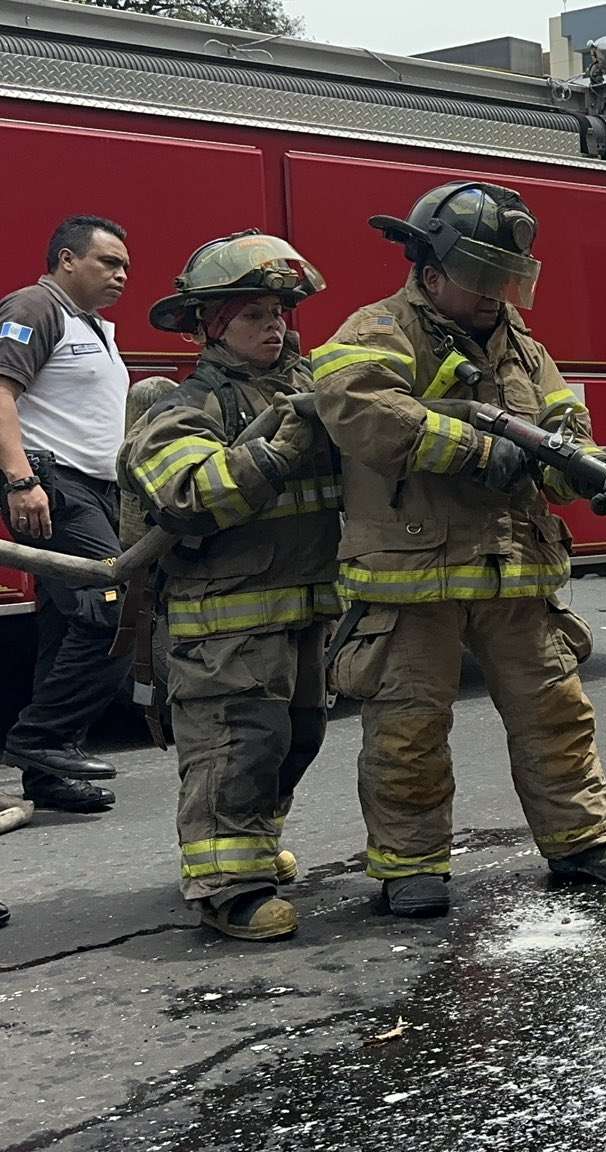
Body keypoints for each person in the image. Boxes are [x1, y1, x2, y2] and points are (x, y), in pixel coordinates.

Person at [310, 181, 606, 918]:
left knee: (556, 714)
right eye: (484, 278)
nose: (499, 293)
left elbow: (564, 426)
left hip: (514, 567)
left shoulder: (525, 348)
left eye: (508, 276)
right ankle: (409, 867)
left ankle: (581, 843)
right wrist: (468, 447)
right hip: (412, 573)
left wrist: (585, 473)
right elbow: (356, 407)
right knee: (408, 729)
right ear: (432, 273)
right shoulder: (376, 330)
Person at [118, 233, 339, 941]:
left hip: (305, 608)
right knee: (237, 746)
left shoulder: (310, 393)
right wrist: (272, 456)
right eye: (252, 315)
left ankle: (251, 847)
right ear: (210, 325)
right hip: (225, 624)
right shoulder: (186, 406)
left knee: (294, 738)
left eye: (278, 312)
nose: (273, 325)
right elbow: (184, 493)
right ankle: (226, 887)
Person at [0, 216, 134, 814]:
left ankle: (47, 778)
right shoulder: (33, 306)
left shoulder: (93, 326)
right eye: (109, 262)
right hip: (53, 486)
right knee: (116, 606)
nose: (122, 275)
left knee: (65, 625)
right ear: (66, 260)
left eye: (125, 265)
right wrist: (21, 482)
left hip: (96, 490)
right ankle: (40, 738)